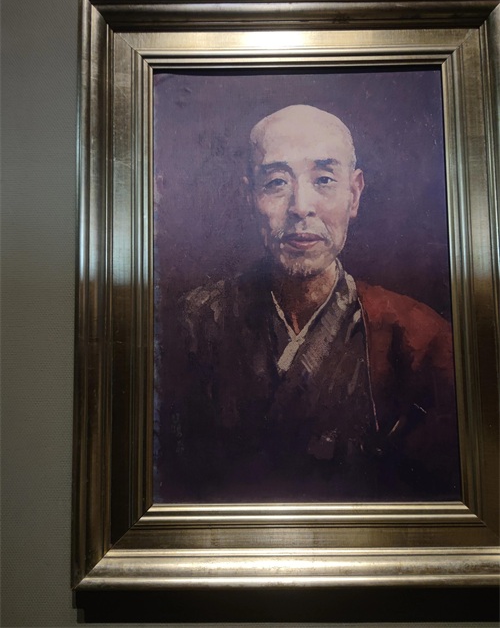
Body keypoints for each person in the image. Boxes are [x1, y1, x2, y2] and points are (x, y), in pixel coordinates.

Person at [157, 104, 461, 503]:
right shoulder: (193, 324)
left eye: (324, 179)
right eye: (276, 183)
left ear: (354, 194)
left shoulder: (421, 339)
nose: (301, 206)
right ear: (249, 196)